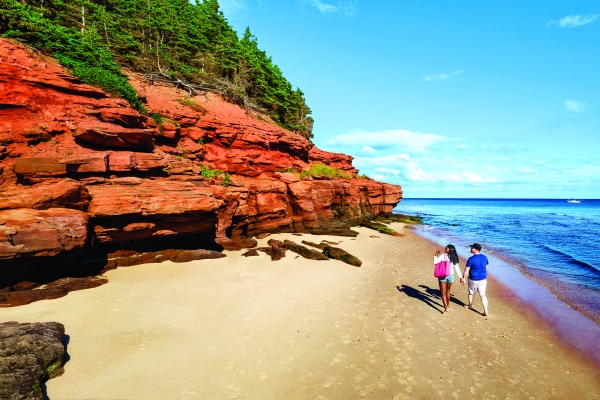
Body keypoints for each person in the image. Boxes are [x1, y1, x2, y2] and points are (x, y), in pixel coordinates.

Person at [460, 243, 489, 316]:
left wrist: (463, 277)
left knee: (471, 292)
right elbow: (486, 269)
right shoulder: (485, 257)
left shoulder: (471, 259)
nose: (471, 249)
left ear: (476, 249)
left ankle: (470, 305)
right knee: (483, 295)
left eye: (472, 248)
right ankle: (486, 310)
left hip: (473, 279)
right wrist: (485, 277)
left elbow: (466, 270)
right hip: (482, 279)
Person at [434, 244, 463, 314]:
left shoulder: (443, 256)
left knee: (443, 292)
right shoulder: (454, 257)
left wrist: (436, 254)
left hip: (443, 275)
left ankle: (446, 307)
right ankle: (448, 305)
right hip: (451, 275)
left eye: (447, 248)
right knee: (448, 291)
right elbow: (456, 268)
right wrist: (460, 277)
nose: (445, 248)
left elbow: (435, 262)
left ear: (450, 249)